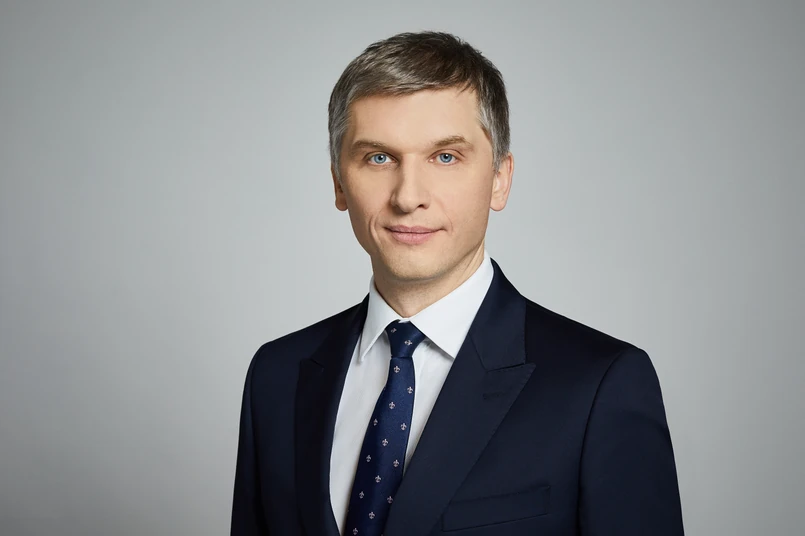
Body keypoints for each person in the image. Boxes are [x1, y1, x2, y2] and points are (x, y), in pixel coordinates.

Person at [230, 31, 684, 536]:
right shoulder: (276, 376)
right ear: (339, 181)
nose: (408, 197)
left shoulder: (600, 385)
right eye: (379, 157)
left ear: (499, 179)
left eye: (445, 156)